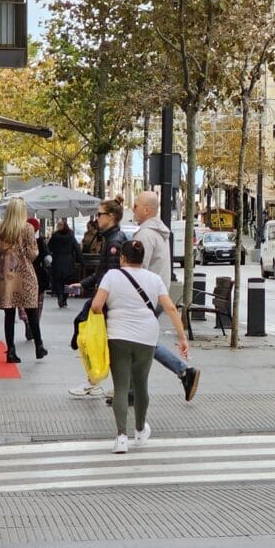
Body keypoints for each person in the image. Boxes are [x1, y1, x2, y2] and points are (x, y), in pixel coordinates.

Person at [90, 238, 189, 453]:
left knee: (122, 387)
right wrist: (182, 338)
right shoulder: (154, 279)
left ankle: (121, 438)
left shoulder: (112, 276)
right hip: (147, 337)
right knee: (141, 384)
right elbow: (170, 308)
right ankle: (140, 431)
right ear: (142, 259)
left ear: (122, 258)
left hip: (118, 336)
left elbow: (96, 305)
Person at [131, 190, 201, 402]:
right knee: (140, 342)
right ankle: (132, 391)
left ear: (146, 209)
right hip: (156, 295)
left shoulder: (144, 235)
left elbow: (137, 269)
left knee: (139, 342)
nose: (132, 209)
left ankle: (183, 371)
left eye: (135, 205)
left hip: (146, 298)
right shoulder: (158, 233)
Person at [67, 199, 128, 397]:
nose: (97, 218)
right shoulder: (111, 239)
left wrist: (98, 301)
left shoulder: (114, 242)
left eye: (100, 214)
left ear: (111, 217)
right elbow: (105, 272)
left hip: (107, 302)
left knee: (95, 341)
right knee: (102, 342)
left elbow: (110, 276)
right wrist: (84, 284)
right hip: (108, 300)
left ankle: (96, 381)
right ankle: (99, 381)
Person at [0, 198, 46, 363]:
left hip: (5, 278)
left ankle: (11, 351)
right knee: (31, 312)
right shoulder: (27, 228)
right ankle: (39, 346)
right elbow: (34, 253)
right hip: (25, 275)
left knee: (9, 315)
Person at [21, 217, 50, 341]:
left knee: (23, 301)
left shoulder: (20, 241)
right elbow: (47, 257)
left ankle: (27, 321)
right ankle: (34, 322)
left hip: (22, 275)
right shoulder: (40, 241)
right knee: (37, 302)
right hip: (38, 274)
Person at [47, 219, 79, 308]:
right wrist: (81, 261)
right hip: (68, 261)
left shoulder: (55, 236)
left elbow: (49, 248)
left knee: (58, 280)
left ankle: (60, 295)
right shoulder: (71, 236)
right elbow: (76, 248)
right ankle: (64, 298)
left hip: (57, 260)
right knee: (67, 280)